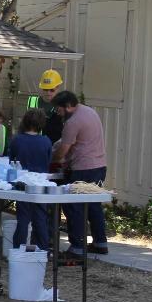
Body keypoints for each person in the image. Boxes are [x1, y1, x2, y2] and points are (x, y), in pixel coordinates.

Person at [51, 90, 109, 258]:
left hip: (83, 169)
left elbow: (63, 150)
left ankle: (77, 247)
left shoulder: (73, 122)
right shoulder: (89, 111)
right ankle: (100, 243)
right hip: (99, 166)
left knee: (74, 207)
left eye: (59, 109)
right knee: (93, 205)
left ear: (68, 106)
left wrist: (53, 159)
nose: (58, 113)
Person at [10, 108, 53, 250]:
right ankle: (42, 250)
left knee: (23, 219)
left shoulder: (17, 140)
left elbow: (10, 160)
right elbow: (48, 161)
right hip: (41, 184)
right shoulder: (46, 141)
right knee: (40, 219)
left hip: (23, 183)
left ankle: (18, 250)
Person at [27, 68, 64, 145]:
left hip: (54, 145)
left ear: (58, 88)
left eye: (52, 90)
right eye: (45, 89)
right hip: (34, 144)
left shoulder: (62, 105)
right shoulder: (32, 101)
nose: (48, 93)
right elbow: (26, 124)